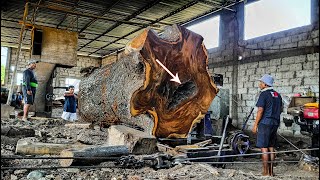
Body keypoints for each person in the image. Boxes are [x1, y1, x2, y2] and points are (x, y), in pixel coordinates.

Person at [252, 74, 283, 176]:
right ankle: (271, 172)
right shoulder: (278, 95)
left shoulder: (263, 94)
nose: (259, 84)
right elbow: (281, 110)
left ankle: (265, 173)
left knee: (264, 148)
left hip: (265, 123)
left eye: (261, 82)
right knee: (271, 147)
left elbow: (260, 111)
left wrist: (255, 125)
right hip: (275, 123)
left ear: (265, 84)